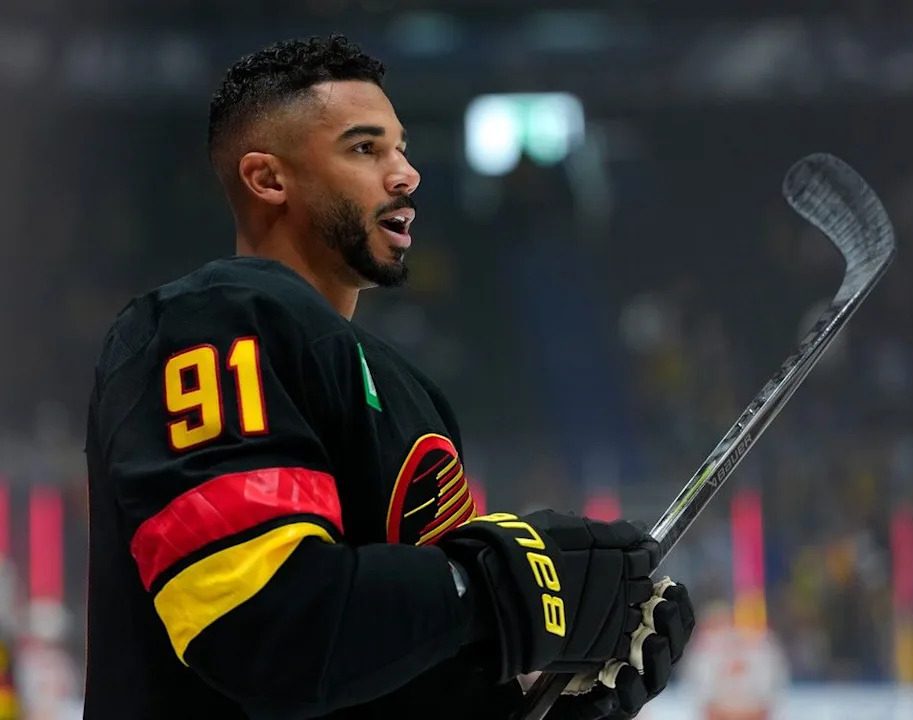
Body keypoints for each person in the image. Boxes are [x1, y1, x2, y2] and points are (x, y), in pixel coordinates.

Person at [82, 34, 695, 720]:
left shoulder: (403, 384)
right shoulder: (212, 319)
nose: (407, 175)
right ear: (268, 179)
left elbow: (390, 664)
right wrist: (491, 584)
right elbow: (262, 625)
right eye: (365, 149)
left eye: (401, 149)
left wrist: (536, 701)